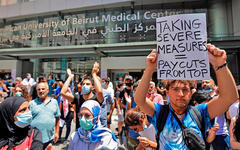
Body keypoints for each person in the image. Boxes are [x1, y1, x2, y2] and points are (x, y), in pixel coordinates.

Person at [134, 44, 239, 149]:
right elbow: (139, 100)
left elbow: (229, 97)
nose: (180, 94)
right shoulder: (160, 112)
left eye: (185, 89)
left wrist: (219, 64)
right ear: (167, 92)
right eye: (175, 89)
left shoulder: (200, 112)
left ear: (191, 92)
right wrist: (149, 69)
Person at [61, 62, 104, 130]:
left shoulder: (96, 98)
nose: (85, 86)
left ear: (92, 87)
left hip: (94, 132)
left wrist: (94, 74)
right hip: (80, 132)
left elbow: (100, 92)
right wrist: (70, 77)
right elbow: (63, 92)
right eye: (83, 84)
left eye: (87, 84)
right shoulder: (77, 97)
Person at [29, 82, 60, 149]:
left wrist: (57, 132)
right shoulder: (31, 103)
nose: (41, 91)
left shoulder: (54, 102)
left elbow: (57, 118)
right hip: (34, 139)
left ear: (48, 90)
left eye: (43, 89)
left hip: (49, 138)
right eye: (39, 89)